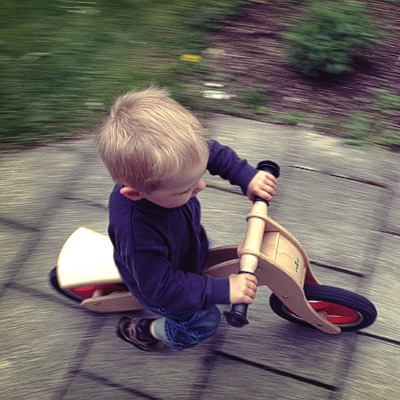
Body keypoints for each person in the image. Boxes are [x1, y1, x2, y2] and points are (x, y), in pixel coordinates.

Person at [96, 87, 277, 351]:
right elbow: (161, 287)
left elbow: (210, 151)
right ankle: (147, 330)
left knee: (203, 249)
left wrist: (245, 175)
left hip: (183, 243)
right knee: (204, 321)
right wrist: (222, 291)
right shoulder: (137, 233)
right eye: (185, 189)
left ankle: (194, 274)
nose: (201, 186)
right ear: (135, 193)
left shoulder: (174, 165)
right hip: (159, 286)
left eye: (199, 175)